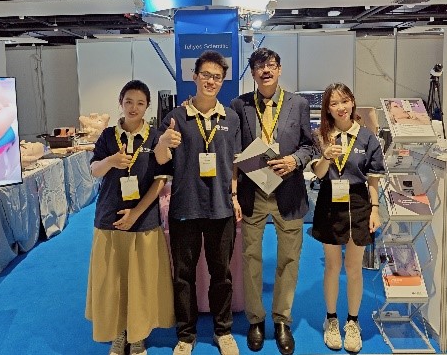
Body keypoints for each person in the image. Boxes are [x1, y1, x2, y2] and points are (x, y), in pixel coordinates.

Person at [155, 51, 242, 355]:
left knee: (222, 275)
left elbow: (235, 163)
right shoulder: (176, 118)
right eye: (206, 75)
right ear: (194, 77)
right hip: (185, 208)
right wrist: (163, 143)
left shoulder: (231, 118)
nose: (211, 81)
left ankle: (223, 330)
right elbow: (160, 160)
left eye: (217, 77)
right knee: (183, 275)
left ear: (223, 81)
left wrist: (234, 196)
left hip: (221, 208)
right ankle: (186, 334)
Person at [230, 47, 316, 355]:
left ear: (279, 69)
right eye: (259, 66)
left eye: (271, 65)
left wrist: (294, 160)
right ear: (253, 73)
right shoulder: (239, 105)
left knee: (289, 260)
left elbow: (309, 145)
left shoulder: (298, 104)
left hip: (288, 192)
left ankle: (282, 320)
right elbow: (234, 151)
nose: (265, 70)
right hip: (253, 193)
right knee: (250, 258)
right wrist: (234, 191)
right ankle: (255, 319)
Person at [85, 80, 175, 355]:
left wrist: (136, 213)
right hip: (109, 219)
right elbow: (94, 171)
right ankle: (119, 332)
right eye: (129, 102)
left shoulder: (155, 137)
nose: (134, 108)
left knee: (140, 282)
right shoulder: (107, 136)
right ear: (120, 103)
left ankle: (138, 335)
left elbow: (160, 180)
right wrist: (111, 161)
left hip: (143, 221)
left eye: (140, 103)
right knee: (113, 282)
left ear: (147, 106)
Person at [310, 83, 385, 353]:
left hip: (359, 202)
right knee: (332, 266)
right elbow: (318, 174)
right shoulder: (320, 136)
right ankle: (331, 319)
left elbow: (373, 179)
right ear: (327, 109)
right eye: (334, 103)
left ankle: (353, 322)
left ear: (352, 102)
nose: (340, 107)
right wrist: (326, 157)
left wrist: (375, 209)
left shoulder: (367, 137)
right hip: (329, 202)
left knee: (354, 267)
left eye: (344, 101)